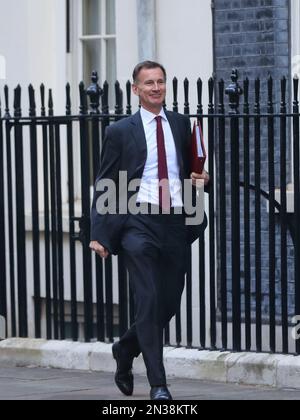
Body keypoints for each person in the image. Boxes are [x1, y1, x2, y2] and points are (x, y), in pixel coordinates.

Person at [90, 61, 209, 400]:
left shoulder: (181, 124)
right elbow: (105, 182)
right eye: (148, 83)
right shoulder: (119, 131)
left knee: (169, 300)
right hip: (136, 221)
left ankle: (126, 348)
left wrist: (205, 181)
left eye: (160, 82)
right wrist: (98, 232)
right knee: (149, 298)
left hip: (174, 221)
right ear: (135, 89)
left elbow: (192, 171)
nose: (156, 88)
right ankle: (159, 384)